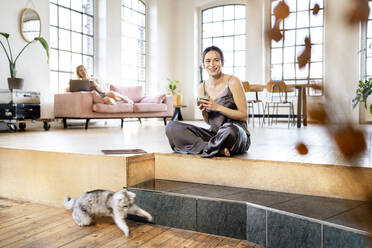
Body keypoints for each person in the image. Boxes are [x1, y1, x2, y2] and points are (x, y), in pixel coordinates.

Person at [165, 46, 250, 158]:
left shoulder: (233, 82)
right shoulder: (202, 87)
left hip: (235, 134)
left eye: (216, 60)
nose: (212, 64)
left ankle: (208, 147)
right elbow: (209, 122)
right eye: (208, 61)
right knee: (171, 127)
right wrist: (204, 111)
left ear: (222, 62)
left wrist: (217, 107)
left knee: (230, 129)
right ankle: (216, 148)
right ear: (204, 65)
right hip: (214, 135)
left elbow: (244, 116)